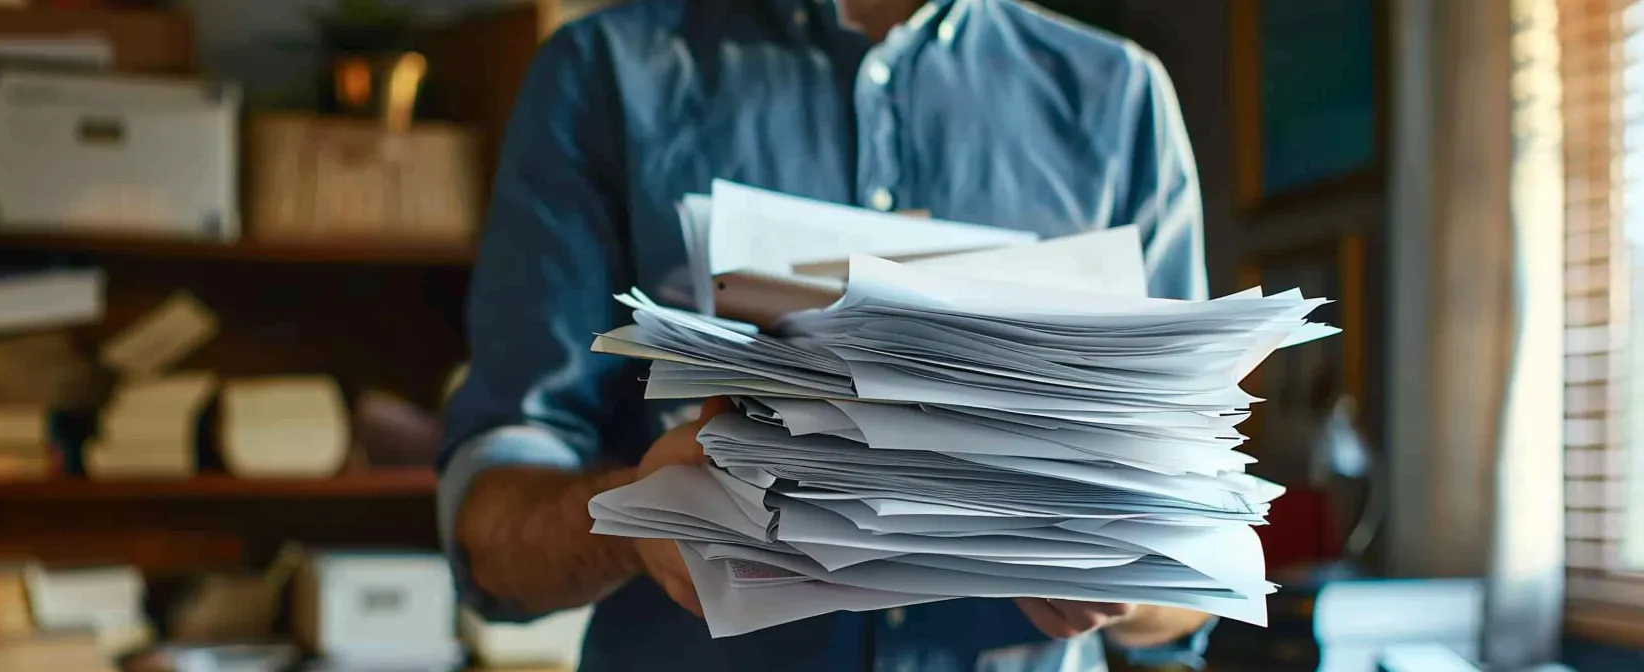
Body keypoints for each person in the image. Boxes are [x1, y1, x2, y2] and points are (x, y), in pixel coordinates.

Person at [438, 0, 1218, 669]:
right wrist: (637, 520)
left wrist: (1130, 578)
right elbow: (492, 529)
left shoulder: (1121, 98)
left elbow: (1198, 562)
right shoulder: (602, 73)